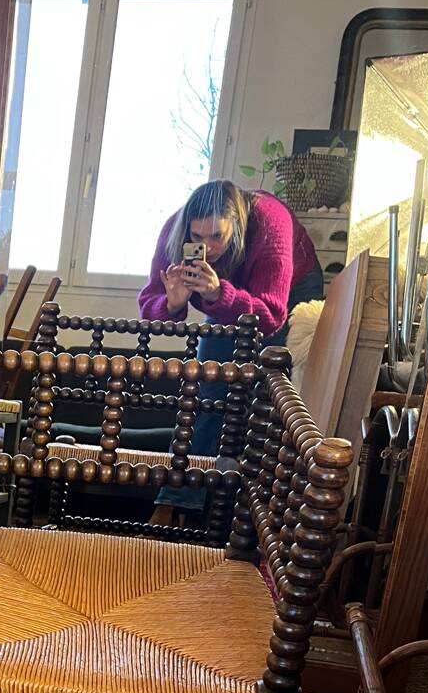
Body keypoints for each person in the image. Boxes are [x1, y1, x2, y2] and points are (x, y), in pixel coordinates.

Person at [138, 180, 324, 510]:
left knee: (265, 391)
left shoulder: (270, 222)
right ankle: (177, 504)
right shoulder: (174, 230)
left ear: (235, 227)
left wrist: (216, 293)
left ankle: (250, 509)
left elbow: (269, 316)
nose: (206, 247)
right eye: (197, 237)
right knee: (206, 386)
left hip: (287, 291)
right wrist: (172, 304)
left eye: (216, 237)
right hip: (227, 294)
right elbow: (149, 308)